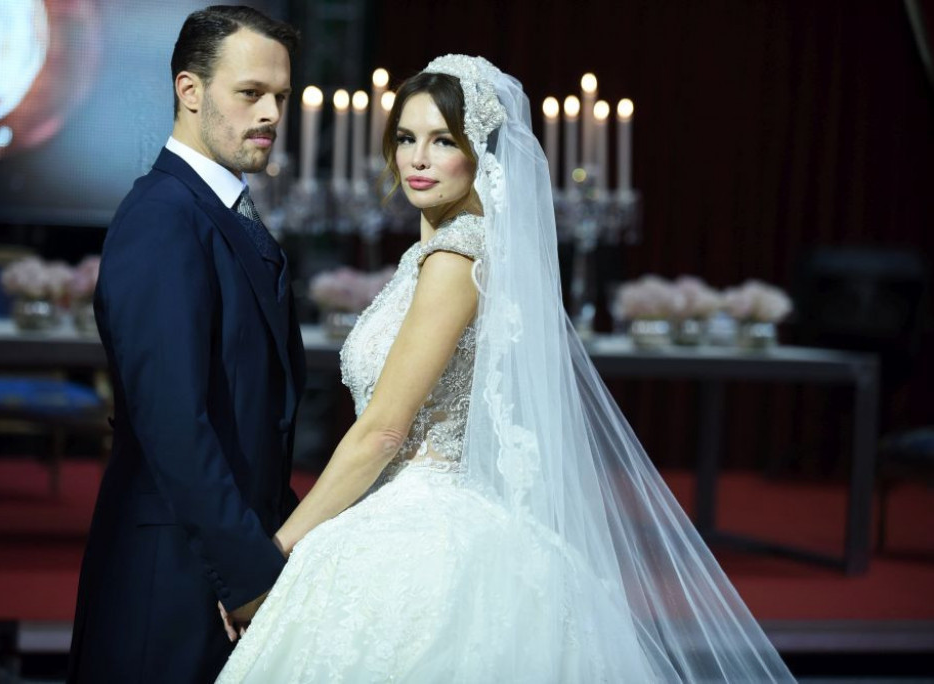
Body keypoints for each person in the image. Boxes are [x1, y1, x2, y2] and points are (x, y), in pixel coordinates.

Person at [217, 55, 796, 682]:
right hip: (410, 510)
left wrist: (273, 554)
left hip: (425, 525)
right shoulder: (434, 254)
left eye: (444, 141)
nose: (417, 159)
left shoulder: (456, 255)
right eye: (406, 138)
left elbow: (383, 430)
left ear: (480, 155)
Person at [67, 7, 304, 682]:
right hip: (171, 577)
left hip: (221, 561)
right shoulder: (162, 217)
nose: (271, 114)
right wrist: (247, 572)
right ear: (189, 90)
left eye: (280, 96)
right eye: (250, 92)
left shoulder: (215, 211)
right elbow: (172, 420)